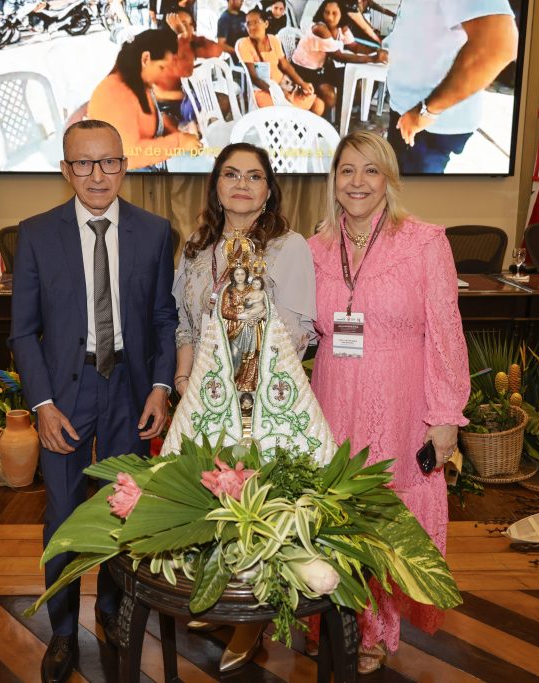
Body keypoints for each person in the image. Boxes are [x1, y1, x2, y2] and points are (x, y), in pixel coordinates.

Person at [8, 119, 178, 683]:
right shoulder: (36, 234)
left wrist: (161, 387)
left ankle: (111, 612)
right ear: (65, 169)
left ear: (125, 166)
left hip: (131, 390)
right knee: (62, 513)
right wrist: (42, 403)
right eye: (83, 163)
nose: (97, 175)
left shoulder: (155, 232)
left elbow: (163, 319)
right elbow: (22, 331)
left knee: (122, 508)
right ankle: (62, 631)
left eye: (108, 162)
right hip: (66, 392)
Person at [307, 131, 469, 674]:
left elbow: (446, 333)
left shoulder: (424, 242)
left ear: (389, 179)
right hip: (331, 397)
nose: (357, 182)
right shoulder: (314, 248)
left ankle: (374, 630)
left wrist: (445, 417)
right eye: (347, 170)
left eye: (370, 170)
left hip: (399, 400)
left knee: (384, 514)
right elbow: (298, 330)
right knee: (333, 510)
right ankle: (334, 616)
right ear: (333, 179)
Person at [171, 142, 316, 671]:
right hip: (205, 400)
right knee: (213, 503)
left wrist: (244, 378)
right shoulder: (195, 248)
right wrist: (184, 380)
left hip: (260, 401)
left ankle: (252, 620)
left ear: (268, 189)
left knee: (257, 508)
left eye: (254, 176)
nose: (241, 184)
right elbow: (185, 325)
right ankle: (222, 598)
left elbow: (298, 332)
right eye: (231, 174)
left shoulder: (288, 246)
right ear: (215, 185)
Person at [386, 0, 517, 173]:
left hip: (424, 125)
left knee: (411, 189)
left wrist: (427, 111)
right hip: (410, 115)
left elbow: (497, 45)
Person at [88, 29, 202, 171]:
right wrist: (179, 143)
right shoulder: (114, 93)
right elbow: (129, 156)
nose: (162, 75)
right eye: (161, 67)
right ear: (146, 59)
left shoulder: (138, 84)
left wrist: (179, 134)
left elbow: (148, 128)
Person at [290, 0, 387, 112]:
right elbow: (339, 57)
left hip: (320, 69)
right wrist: (372, 58)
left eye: (334, 13)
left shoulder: (342, 28)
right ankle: (322, 116)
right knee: (331, 97)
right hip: (303, 71)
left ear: (342, 14)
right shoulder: (320, 29)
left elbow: (354, 47)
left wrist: (376, 50)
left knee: (351, 85)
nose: (330, 17)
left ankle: (339, 116)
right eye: (327, 12)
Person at [236, 8, 324, 114]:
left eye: (256, 22)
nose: (252, 27)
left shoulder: (273, 40)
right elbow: (254, 78)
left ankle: (302, 125)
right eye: (248, 24)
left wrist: (301, 83)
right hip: (263, 90)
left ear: (266, 24)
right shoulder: (244, 44)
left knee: (318, 105)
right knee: (283, 113)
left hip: (283, 85)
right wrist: (276, 91)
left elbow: (285, 66)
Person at [155, 8, 225, 127]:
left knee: (223, 101)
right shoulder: (162, 50)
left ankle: (199, 128)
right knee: (166, 120)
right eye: (180, 24)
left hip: (192, 100)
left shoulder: (189, 45)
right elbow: (160, 94)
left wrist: (190, 37)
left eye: (189, 24)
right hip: (170, 105)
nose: (186, 27)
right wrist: (182, 36)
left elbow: (216, 50)